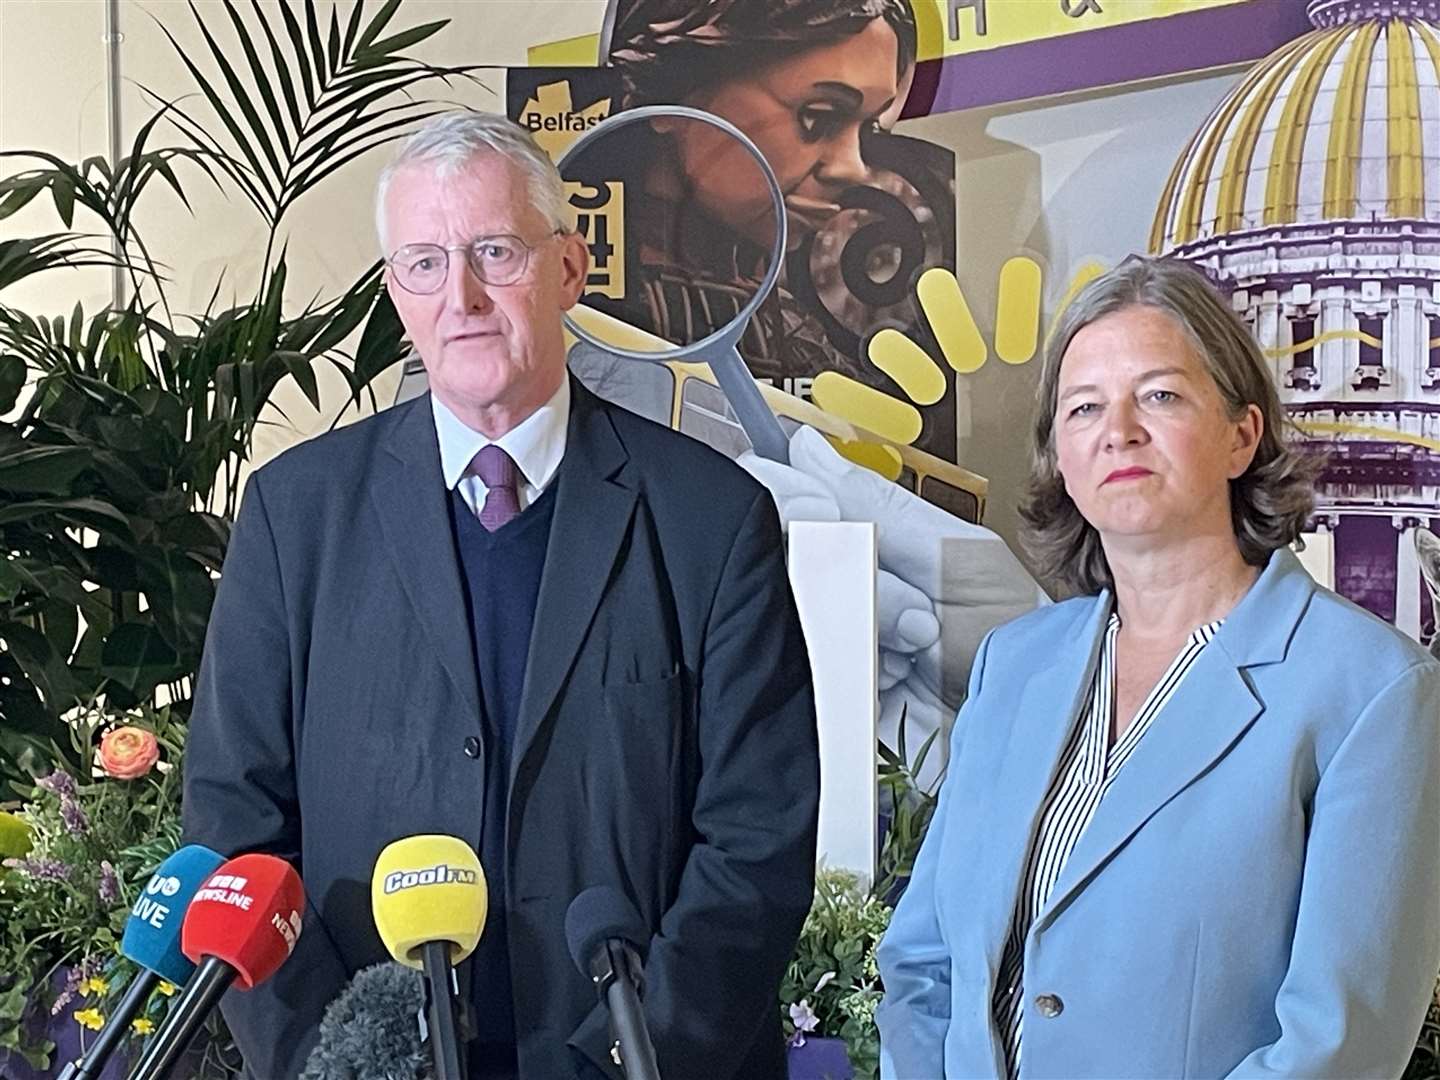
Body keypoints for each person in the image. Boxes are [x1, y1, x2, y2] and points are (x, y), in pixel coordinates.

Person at [182, 111, 819, 1080]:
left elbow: (757, 844)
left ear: (569, 269)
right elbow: (235, 834)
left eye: (494, 251)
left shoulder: (711, 519)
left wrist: (618, 1059)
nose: (463, 297)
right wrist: (341, 1063)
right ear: (398, 293)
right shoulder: (292, 519)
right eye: (426, 264)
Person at [876, 257, 1440, 1078]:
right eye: (1084, 407)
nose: (1120, 430)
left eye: (1161, 395)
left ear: (1241, 434)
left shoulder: (1369, 689)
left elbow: (1339, 1046)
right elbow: (923, 964)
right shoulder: (1017, 662)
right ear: (1060, 458)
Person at [595, 0, 943, 396]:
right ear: (674, 96)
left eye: (869, 129)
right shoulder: (586, 307)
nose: (853, 169)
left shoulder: (793, 327)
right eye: (819, 116)